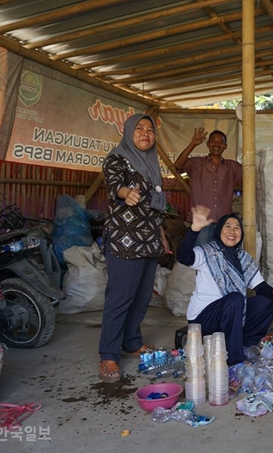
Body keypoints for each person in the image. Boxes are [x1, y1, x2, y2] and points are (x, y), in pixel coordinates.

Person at [99, 113, 171, 382]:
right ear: (128, 132)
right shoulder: (117, 158)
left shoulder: (152, 164)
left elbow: (155, 207)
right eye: (139, 128)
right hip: (125, 242)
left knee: (142, 297)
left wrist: (161, 235)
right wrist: (125, 193)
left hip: (150, 241)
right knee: (120, 298)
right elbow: (114, 183)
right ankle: (108, 355)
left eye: (150, 130)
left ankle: (131, 342)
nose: (145, 133)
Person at [177, 206, 273, 365]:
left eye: (236, 228)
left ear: (241, 234)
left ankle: (246, 345)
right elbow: (184, 257)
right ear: (219, 230)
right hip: (204, 319)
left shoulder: (243, 258)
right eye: (227, 227)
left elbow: (260, 286)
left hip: (231, 313)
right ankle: (233, 360)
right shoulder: (207, 252)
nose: (232, 231)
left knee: (267, 302)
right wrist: (194, 230)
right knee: (235, 299)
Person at [174, 128, 242, 245]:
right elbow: (178, 166)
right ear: (208, 144)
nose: (216, 144)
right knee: (202, 257)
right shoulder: (196, 163)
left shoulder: (232, 166)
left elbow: (251, 176)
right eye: (213, 141)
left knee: (221, 258)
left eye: (220, 141)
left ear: (225, 146)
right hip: (202, 222)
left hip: (224, 222)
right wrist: (193, 143)